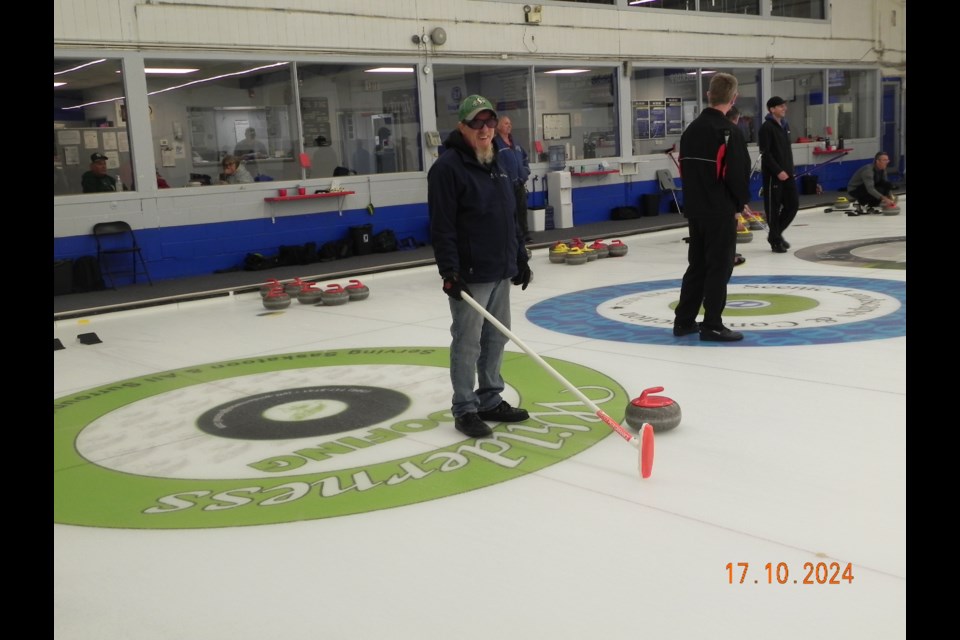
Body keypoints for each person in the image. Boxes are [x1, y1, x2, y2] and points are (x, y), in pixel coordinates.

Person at [428, 94, 533, 437]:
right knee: (468, 341)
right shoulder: (447, 169)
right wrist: (449, 272)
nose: (485, 128)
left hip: (500, 268)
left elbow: (509, 215)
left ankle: (489, 399)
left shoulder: (498, 163)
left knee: (497, 337)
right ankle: (465, 408)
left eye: (489, 122)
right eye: (477, 123)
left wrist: (519, 256)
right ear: (463, 126)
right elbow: (442, 225)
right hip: (471, 274)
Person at [673, 73, 751, 343]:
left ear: (709, 95)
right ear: (734, 98)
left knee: (697, 265)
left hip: (695, 208)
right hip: (719, 209)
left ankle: (684, 320)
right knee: (720, 266)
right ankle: (712, 324)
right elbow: (737, 174)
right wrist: (739, 204)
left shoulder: (690, 130)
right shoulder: (728, 132)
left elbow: (684, 170)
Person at [758, 96, 798, 254]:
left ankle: (774, 235)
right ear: (772, 109)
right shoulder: (766, 128)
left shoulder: (785, 125)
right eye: (781, 106)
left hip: (788, 174)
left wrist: (789, 169)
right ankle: (776, 241)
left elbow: (786, 151)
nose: (784, 109)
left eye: (784, 106)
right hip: (773, 176)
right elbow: (765, 153)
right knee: (773, 209)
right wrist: (778, 171)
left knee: (792, 205)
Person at [494, 115, 532, 242]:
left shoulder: (516, 143)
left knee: (522, 210)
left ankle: (525, 235)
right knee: (509, 211)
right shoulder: (495, 144)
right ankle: (512, 236)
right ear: (498, 126)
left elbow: (525, 159)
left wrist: (525, 173)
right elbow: (494, 164)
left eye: (510, 123)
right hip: (505, 186)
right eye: (505, 123)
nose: (509, 125)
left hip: (519, 184)